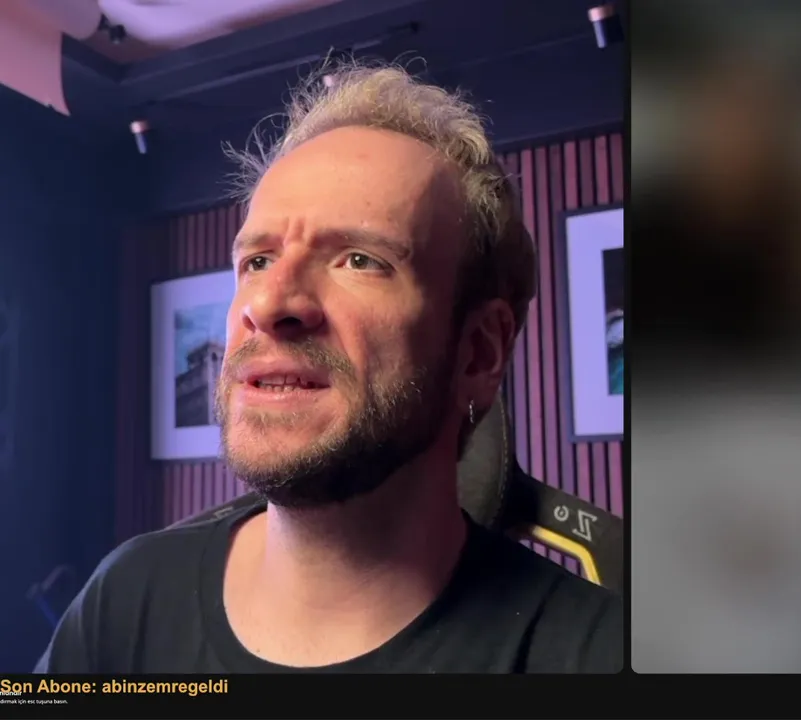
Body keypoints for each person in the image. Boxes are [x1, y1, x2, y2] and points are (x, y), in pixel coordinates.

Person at [35, 61, 622, 673]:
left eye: (360, 260)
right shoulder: (126, 602)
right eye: (258, 261)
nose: (267, 304)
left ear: (479, 350)